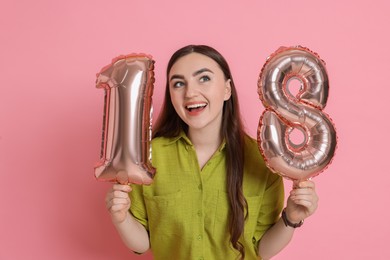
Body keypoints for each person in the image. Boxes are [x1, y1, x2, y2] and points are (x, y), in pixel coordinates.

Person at [105, 45, 318, 260]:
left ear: (227, 89)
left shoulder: (262, 159)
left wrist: (290, 218)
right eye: (178, 84)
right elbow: (143, 243)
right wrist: (121, 218)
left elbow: (260, 248)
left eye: (204, 78)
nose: (190, 93)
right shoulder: (148, 157)